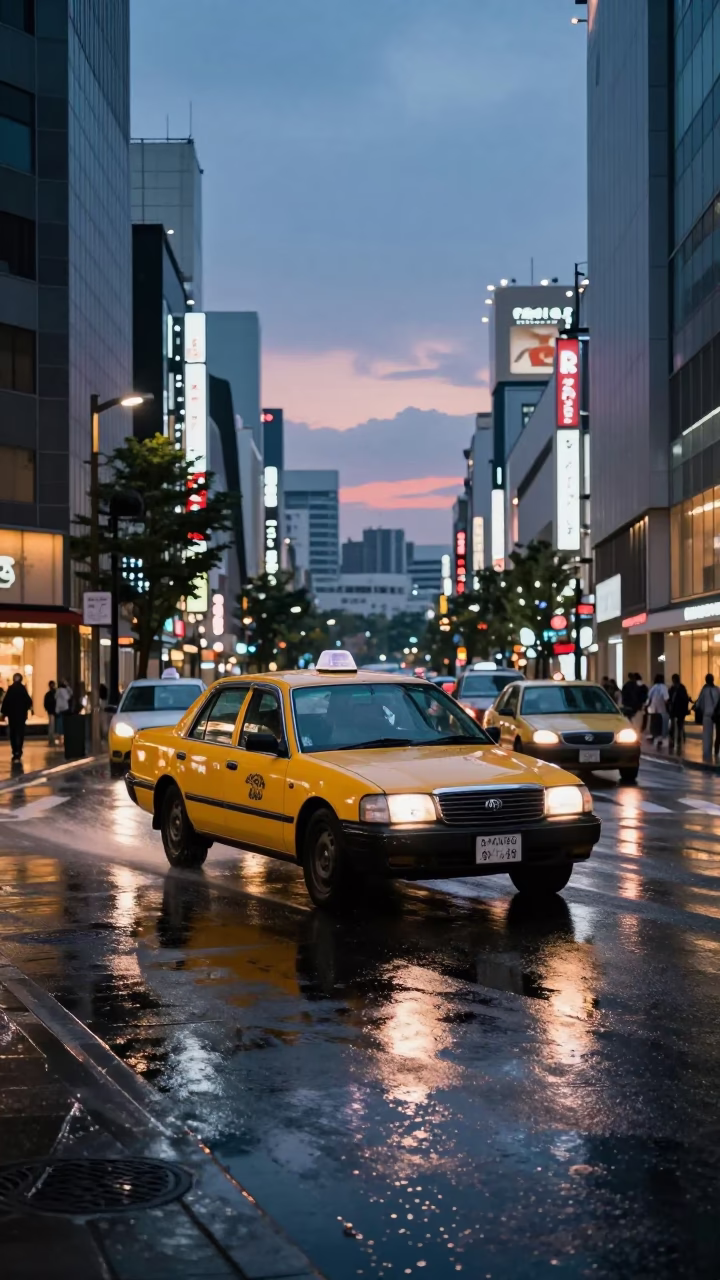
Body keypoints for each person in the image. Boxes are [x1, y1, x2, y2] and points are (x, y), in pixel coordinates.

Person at [1, 672, 33, 761]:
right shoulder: (22, 689)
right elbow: (29, 702)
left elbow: (6, 702)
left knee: (13, 733)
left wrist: (4, 713)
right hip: (21, 715)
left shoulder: (11, 689)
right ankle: (19, 750)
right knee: (20, 732)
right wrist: (26, 709)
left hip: (12, 715)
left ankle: (15, 750)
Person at [695, 673, 720, 761]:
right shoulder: (717, 689)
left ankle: (707, 753)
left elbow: (699, 703)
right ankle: (716, 752)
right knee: (718, 735)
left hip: (707, 714)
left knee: (707, 735)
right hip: (717, 715)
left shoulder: (704, 690)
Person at [668, 673, 690, 752]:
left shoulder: (678, 688)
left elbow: (684, 699)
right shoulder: (675, 688)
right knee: (674, 726)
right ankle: (674, 739)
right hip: (675, 710)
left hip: (678, 710)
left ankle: (677, 740)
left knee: (678, 725)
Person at [646, 673, 669, 748]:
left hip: (653, 710)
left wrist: (647, 706)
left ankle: (654, 736)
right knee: (661, 726)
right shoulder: (663, 687)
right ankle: (660, 739)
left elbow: (649, 698)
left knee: (654, 725)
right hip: (661, 710)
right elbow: (666, 698)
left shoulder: (653, 687)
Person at [54, 679, 72, 744]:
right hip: (64, 708)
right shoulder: (63, 690)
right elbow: (68, 697)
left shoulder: (57, 691)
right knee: (63, 722)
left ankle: (59, 735)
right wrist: (68, 687)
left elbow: (55, 698)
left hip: (58, 708)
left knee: (59, 722)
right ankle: (63, 735)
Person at [44, 680, 57, 746]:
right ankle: (52, 739)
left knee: (51, 725)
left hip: (51, 711)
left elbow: (45, 703)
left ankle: (51, 739)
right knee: (52, 725)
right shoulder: (54, 693)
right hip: (53, 711)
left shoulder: (48, 694)